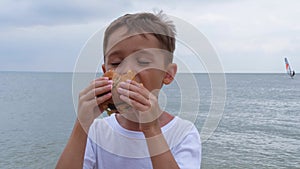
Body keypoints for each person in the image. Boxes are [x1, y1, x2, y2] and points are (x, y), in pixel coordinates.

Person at [56, 11, 201, 169]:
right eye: (116, 63)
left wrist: (151, 129)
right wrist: (82, 124)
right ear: (106, 72)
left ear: (167, 75)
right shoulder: (97, 131)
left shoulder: (183, 133)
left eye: (143, 61)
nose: (127, 70)